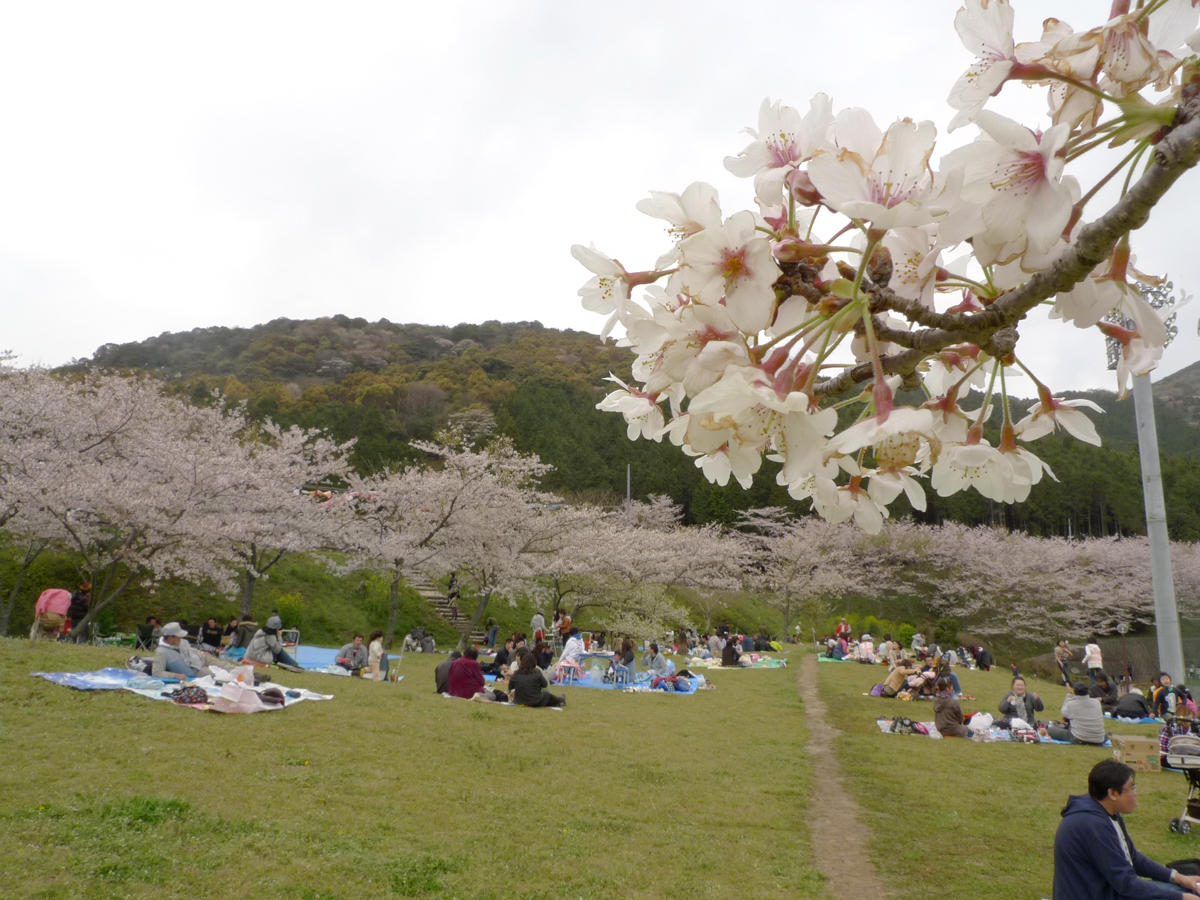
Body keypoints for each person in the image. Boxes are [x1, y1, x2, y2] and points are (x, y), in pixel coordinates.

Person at [1053, 758, 1200, 900]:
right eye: (1132, 787)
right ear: (1113, 793)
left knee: (1187, 889)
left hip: (1110, 891)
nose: (1136, 793)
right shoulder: (1092, 825)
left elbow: (1132, 857)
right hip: (1100, 895)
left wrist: (1178, 878)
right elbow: (1126, 884)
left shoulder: (1105, 811)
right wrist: (1181, 898)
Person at [151, 622, 231, 679]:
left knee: (225, 665)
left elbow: (190, 649)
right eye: (179, 636)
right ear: (170, 638)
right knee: (219, 675)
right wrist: (175, 675)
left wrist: (201, 652)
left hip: (200, 657)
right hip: (196, 669)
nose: (181, 638)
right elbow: (156, 672)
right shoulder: (161, 653)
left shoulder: (178, 641)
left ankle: (241, 672)